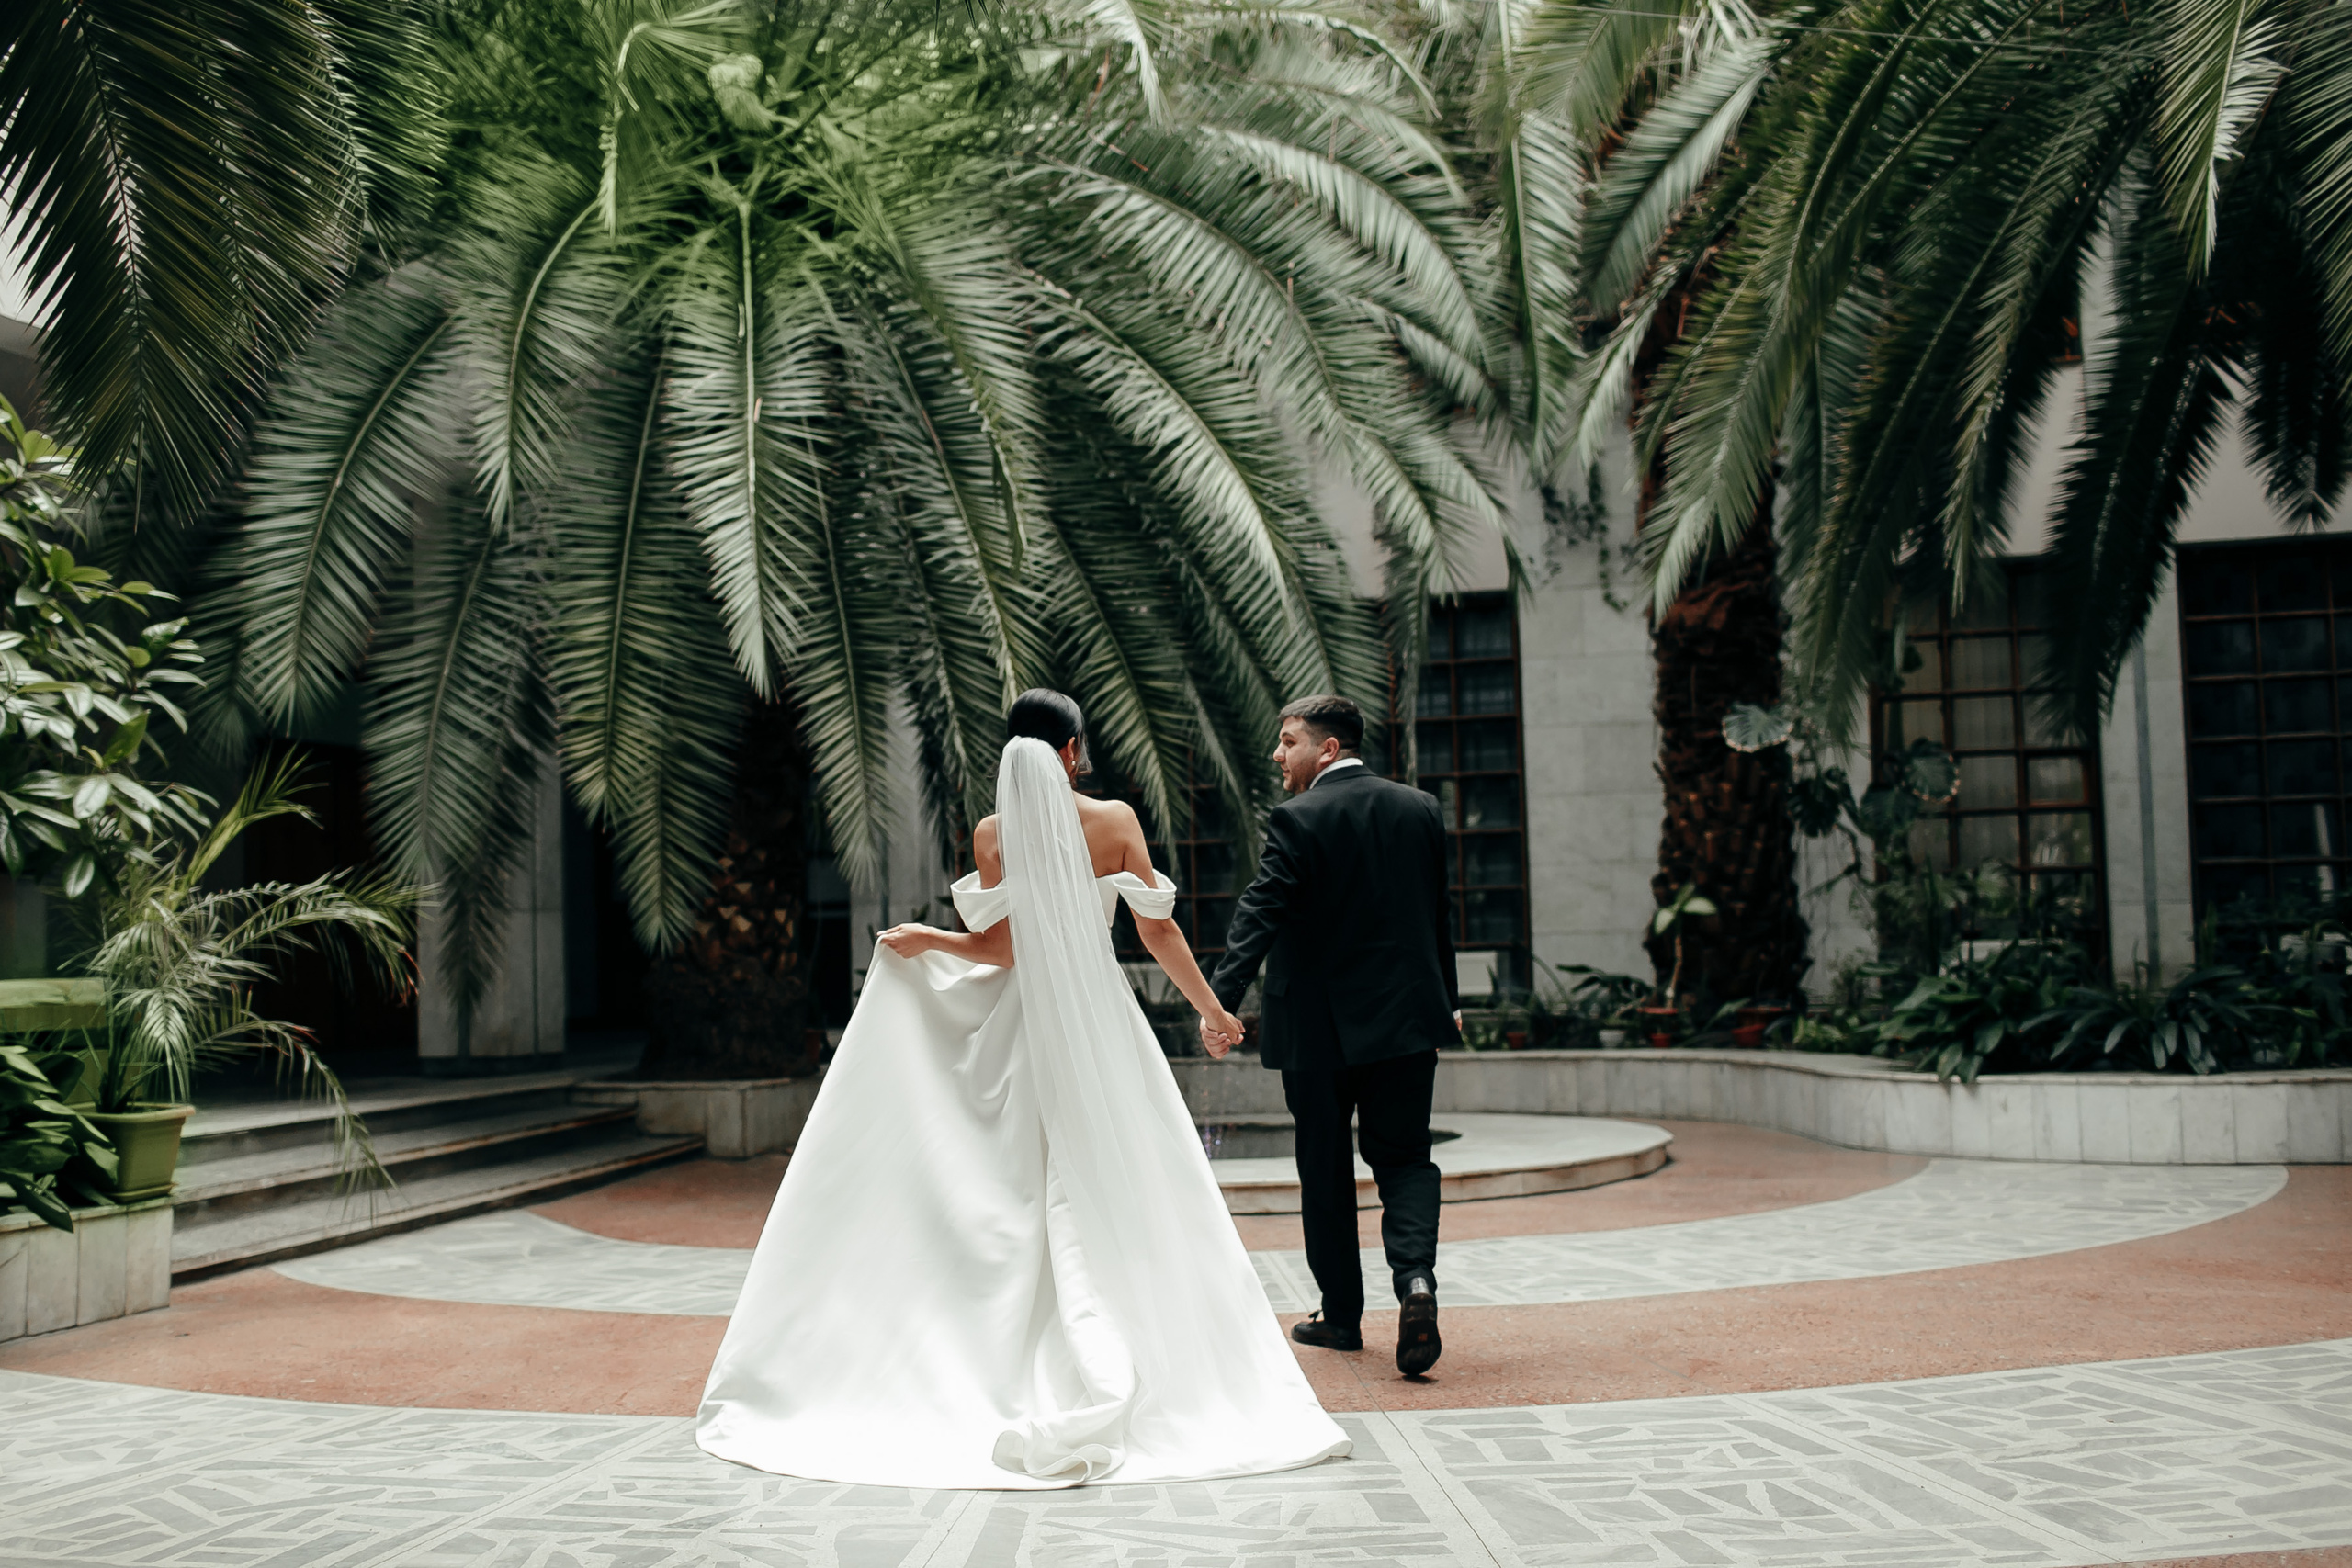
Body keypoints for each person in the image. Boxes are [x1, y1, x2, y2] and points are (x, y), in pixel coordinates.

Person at [695, 690, 1351, 1489]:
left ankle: (996, 1349)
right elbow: (1157, 929)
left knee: (1008, 1188)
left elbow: (1002, 949)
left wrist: (927, 937)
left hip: (1020, 1026)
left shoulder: (993, 833)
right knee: (1127, 1183)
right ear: (1073, 750)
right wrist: (1212, 1010)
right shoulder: (1113, 822)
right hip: (1099, 1025)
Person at [1205, 694, 1458, 1377]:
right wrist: (1449, 1003)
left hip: (1318, 1033)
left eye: (1288, 742)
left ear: (1328, 748)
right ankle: (1416, 1283)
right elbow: (1438, 913)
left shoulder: (1298, 816)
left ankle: (1341, 1317)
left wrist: (1218, 1003)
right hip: (1407, 1023)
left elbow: (1261, 911)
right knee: (1404, 1158)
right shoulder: (1421, 808)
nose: (1277, 755)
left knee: (1324, 1168)